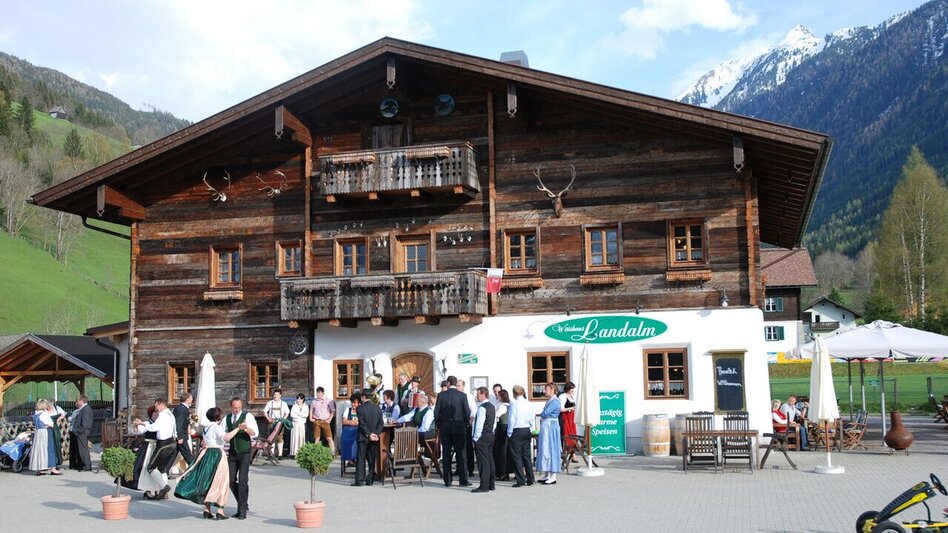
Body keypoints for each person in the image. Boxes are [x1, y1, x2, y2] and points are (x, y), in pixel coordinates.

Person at [174, 407, 243, 520]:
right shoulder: (216, 427)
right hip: (217, 454)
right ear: (218, 416)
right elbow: (226, 437)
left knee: (208, 480)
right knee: (221, 481)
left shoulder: (206, 427)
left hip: (206, 453)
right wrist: (237, 429)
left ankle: (207, 510)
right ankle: (220, 511)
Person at [132, 398, 178, 499]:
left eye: (156, 406)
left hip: (163, 444)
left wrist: (142, 423)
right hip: (171, 442)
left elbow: (155, 427)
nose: (156, 409)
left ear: (161, 404)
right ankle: (163, 491)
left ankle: (164, 487)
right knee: (162, 468)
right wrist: (140, 425)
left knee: (150, 467)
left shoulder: (163, 415)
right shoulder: (170, 414)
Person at [434, 375, 471, 487]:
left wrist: (439, 425)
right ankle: (463, 480)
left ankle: (448, 480)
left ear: (448, 383)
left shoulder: (441, 395)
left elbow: (436, 412)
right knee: (461, 454)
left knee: (446, 453)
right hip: (459, 427)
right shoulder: (462, 395)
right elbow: (467, 412)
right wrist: (465, 424)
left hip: (445, 428)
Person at [224, 396, 258, 520]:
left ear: (241, 406)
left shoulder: (248, 416)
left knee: (243, 481)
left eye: (239, 407)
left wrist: (246, 429)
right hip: (232, 453)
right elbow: (223, 433)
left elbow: (255, 433)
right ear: (231, 407)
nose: (237, 410)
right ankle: (242, 501)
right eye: (234, 408)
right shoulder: (227, 418)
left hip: (245, 452)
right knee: (230, 480)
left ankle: (242, 511)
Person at [507, 385, 535, 487]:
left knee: (516, 455)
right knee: (526, 455)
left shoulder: (515, 404)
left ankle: (520, 479)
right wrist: (531, 427)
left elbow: (512, 419)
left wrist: (509, 432)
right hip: (526, 429)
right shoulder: (528, 403)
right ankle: (530, 478)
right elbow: (532, 416)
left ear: (514, 393)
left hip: (517, 430)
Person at [353, 391, 382, 487]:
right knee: (371, 458)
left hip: (363, 437)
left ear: (363, 397)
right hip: (374, 437)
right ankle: (370, 480)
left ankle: (359, 480)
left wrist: (369, 434)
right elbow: (381, 424)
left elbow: (362, 424)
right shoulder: (378, 408)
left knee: (361, 458)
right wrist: (375, 434)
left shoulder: (360, 408)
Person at [471, 387, 497, 493]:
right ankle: (491, 483)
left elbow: (479, 425)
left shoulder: (482, 408)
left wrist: (476, 437)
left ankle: (484, 485)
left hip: (482, 436)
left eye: (478, 394)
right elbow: (494, 423)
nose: (477, 396)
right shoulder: (492, 407)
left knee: (483, 462)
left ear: (483, 394)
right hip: (490, 434)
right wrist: (491, 432)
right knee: (490, 460)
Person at [535, 383, 562, 485]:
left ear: (552, 390)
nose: (544, 391)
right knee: (545, 448)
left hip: (551, 427)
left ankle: (553, 475)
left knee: (551, 448)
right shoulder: (550, 401)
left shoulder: (555, 401)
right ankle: (547, 473)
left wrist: (542, 414)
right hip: (547, 426)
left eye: (546, 389)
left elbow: (545, 413)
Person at [29, 400, 61, 475]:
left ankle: (40, 469)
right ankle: (53, 468)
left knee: (39, 450)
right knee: (50, 449)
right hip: (45, 432)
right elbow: (51, 424)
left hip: (38, 432)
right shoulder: (44, 414)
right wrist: (49, 425)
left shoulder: (36, 414)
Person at [457, 379, 476, 476]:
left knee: (468, 447)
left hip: (466, 424)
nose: (457, 387)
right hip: (457, 424)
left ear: (463, 386)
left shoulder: (469, 396)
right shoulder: (455, 395)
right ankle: (459, 468)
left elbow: (473, 410)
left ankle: (470, 468)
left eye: (459, 386)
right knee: (458, 447)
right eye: (457, 385)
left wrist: (470, 421)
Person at [69, 394, 93, 471]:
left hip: (82, 432)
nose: (77, 402)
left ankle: (86, 466)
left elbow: (85, 423)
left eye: (78, 400)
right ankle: (82, 465)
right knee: (81, 449)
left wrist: (78, 430)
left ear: (82, 400)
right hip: (81, 432)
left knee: (83, 450)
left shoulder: (85, 409)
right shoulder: (83, 409)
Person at [263, 389, 289, 457]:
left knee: (280, 437)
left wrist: (283, 420)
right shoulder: (270, 403)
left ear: (280, 395)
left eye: (277, 395)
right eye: (274, 394)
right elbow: (265, 411)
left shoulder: (283, 403)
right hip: (272, 421)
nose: (275, 396)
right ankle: (271, 454)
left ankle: (280, 454)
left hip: (280, 422)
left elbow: (287, 413)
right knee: (271, 437)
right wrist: (268, 419)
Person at [309, 387, 336, 454]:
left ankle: (333, 452)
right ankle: (316, 453)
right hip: (317, 421)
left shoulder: (328, 401)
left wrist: (329, 420)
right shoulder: (314, 402)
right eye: (317, 393)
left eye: (319, 393)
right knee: (317, 438)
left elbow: (333, 411)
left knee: (329, 437)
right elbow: (311, 410)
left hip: (325, 421)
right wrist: (310, 418)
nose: (318, 394)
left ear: (323, 393)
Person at [493, 389, 510, 481]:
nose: (497, 396)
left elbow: (496, 415)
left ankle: (503, 473)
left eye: (499, 395)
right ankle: (502, 472)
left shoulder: (503, 406)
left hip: (502, 428)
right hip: (502, 428)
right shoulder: (503, 405)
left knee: (502, 451)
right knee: (500, 451)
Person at [558, 381, 579, 461]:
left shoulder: (572, 396)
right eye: (571, 389)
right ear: (568, 388)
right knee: (567, 436)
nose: (573, 390)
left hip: (571, 419)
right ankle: (566, 454)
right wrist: (570, 408)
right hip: (566, 419)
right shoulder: (563, 396)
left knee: (573, 436)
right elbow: (561, 409)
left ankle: (573, 454)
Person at [173, 393, 194, 467]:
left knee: (172, 455)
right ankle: (195, 469)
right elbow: (179, 423)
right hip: (181, 436)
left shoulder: (182, 408)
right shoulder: (182, 409)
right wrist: (180, 436)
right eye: (191, 398)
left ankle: (164, 469)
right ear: (187, 399)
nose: (192, 399)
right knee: (188, 455)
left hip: (182, 435)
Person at [340, 394, 360, 468]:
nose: (353, 404)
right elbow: (344, 421)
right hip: (348, 431)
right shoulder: (347, 410)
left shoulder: (360, 411)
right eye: (352, 402)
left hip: (357, 431)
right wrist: (354, 422)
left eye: (355, 403)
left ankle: (355, 459)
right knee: (346, 441)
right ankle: (350, 460)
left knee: (357, 441)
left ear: (358, 403)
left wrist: (350, 422)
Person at [289, 393, 310, 458]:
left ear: (303, 399)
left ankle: (301, 453)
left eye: (300, 399)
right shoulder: (294, 406)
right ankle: (294, 453)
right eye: (297, 399)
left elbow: (306, 415)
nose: (299, 400)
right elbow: (292, 415)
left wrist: (298, 414)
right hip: (295, 424)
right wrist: (301, 415)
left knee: (301, 437)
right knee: (295, 437)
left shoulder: (306, 406)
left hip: (302, 424)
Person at [45, 400, 64, 469]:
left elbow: (63, 414)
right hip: (48, 429)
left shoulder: (56, 408)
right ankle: (49, 463)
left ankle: (56, 462)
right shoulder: (44, 410)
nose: (48, 408)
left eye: (49, 406)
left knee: (56, 444)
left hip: (55, 429)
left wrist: (59, 419)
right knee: (48, 446)